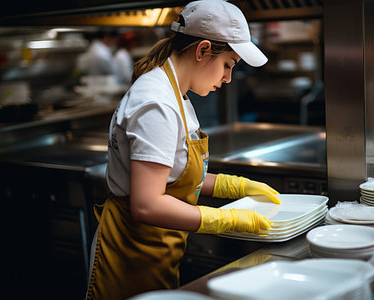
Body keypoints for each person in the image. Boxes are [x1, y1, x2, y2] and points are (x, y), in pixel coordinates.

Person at [85, 1, 280, 299]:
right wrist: (223, 220)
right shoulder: (156, 103)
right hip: (129, 254)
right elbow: (147, 204)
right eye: (228, 65)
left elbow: (175, 176)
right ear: (202, 50)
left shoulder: (177, 95)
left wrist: (235, 186)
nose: (228, 78)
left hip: (156, 251)